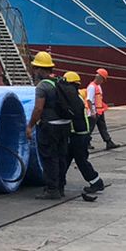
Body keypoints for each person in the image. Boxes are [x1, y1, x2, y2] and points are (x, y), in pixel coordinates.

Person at [26, 50, 74, 200]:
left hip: (50, 127)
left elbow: (38, 108)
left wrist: (30, 126)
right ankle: (60, 187)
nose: (34, 71)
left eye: (35, 68)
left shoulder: (42, 86)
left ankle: (52, 189)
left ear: (41, 69)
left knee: (49, 157)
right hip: (65, 125)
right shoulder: (59, 82)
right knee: (61, 156)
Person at [59, 71, 105, 200]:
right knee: (66, 158)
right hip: (79, 133)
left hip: (78, 135)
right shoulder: (76, 96)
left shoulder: (73, 98)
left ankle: (96, 182)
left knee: (80, 160)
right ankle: (58, 182)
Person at [86, 67, 118, 150]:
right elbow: (89, 100)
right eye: (103, 79)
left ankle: (108, 142)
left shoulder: (98, 86)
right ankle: (85, 143)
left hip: (99, 111)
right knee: (90, 128)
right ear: (100, 78)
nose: (103, 81)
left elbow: (99, 98)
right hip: (94, 111)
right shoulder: (92, 87)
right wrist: (92, 112)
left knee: (102, 127)